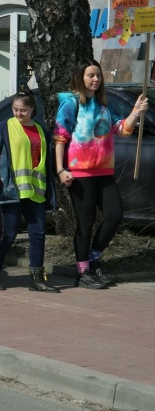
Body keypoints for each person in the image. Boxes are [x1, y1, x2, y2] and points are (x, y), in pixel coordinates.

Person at [53, 59, 148, 289]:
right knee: (85, 223)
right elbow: (59, 138)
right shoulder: (71, 103)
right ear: (80, 77)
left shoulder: (105, 104)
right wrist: (61, 169)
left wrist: (135, 112)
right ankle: (82, 271)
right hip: (79, 173)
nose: (96, 79)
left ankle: (94, 259)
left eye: (98, 75)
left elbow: (122, 130)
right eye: (90, 75)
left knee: (114, 215)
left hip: (104, 171)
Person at [0, 91, 59, 293]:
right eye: (15, 110)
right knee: (9, 234)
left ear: (33, 109)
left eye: (23, 110)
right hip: (11, 191)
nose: (18, 114)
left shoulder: (41, 130)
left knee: (38, 234)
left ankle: (36, 278)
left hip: (35, 191)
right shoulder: (2, 128)